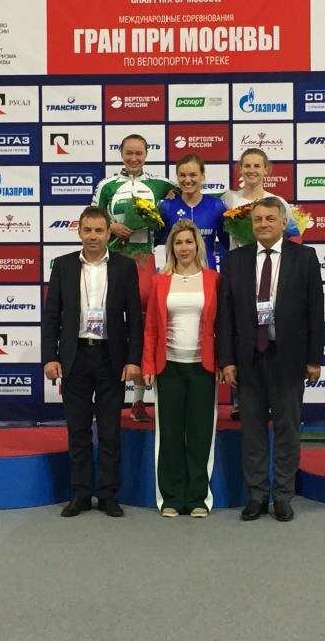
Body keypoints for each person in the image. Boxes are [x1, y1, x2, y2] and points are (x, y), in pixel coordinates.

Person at [217, 197, 324, 523]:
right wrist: (227, 360)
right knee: (252, 430)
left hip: (288, 358)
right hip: (248, 360)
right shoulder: (235, 260)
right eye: (258, 219)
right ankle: (257, 494)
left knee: (287, 429)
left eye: (269, 219)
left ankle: (283, 495)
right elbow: (226, 316)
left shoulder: (304, 257)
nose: (263, 224)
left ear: (282, 223)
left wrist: (314, 359)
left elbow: (315, 311)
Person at [42, 205, 143, 518]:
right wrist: (50, 357)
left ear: (108, 232)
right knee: (79, 430)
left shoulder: (125, 267)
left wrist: (133, 359)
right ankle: (81, 493)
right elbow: (52, 315)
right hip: (75, 357)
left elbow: (134, 318)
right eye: (88, 230)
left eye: (99, 230)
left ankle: (108, 494)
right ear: (79, 232)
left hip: (111, 357)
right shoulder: (63, 265)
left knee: (110, 430)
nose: (93, 236)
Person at [92, 133, 177, 422]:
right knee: (111, 326)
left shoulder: (159, 183)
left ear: (146, 154)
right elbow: (92, 217)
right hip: (114, 261)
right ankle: (106, 398)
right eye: (128, 153)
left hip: (144, 261)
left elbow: (185, 197)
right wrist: (111, 227)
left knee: (143, 328)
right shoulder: (107, 185)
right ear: (120, 153)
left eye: (139, 153)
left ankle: (139, 400)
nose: (133, 158)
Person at [142, 220, 221, 518]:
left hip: (203, 367)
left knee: (200, 434)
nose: (184, 248)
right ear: (171, 247)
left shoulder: (213, 280)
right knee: (170, 434)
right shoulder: (160, 281)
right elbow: (151, 328)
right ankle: (171, 498)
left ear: (197, 245)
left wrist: (223, 363)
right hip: (169, 367)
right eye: (178, 242)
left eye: (189, 242)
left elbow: (222, 325)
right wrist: (148, 364)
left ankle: (198, 497)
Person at [220, 147, 299, 419]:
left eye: (257, 165)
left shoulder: (277, 201)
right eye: (247, 165)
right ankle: (240, 399)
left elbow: (293, 237)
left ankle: (273, 398)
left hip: (270, 272)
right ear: (239, 169)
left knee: (268, 334)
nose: (251, 170)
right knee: (240, 331)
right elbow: (218, 234)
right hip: (239, 272)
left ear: (267, 170)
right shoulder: (228, 199)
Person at [158, 153, 228, 270]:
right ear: (177, 177)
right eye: (182, 175)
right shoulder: (167, 207)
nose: (187, 180)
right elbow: (156, 240)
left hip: (208, 274)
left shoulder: (216, 206)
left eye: (193, 175)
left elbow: (228, 244)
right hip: (175, 274)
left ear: (202, 176)